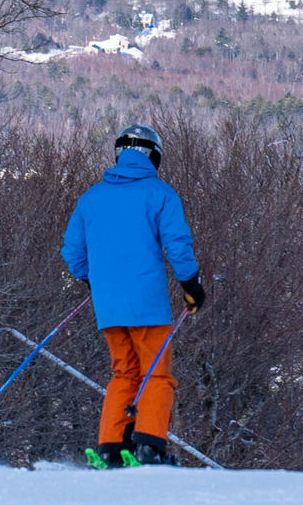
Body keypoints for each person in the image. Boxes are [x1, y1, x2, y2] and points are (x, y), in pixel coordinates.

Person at [61, 125, 207, 469]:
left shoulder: (91, 197)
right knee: (156, 374)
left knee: (124, 373)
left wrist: (93, 280)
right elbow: (177, 245)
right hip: (148, 304)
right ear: (154, 155)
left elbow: (72, 252)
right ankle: (149, 447)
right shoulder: (160, 193)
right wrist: (191, 285)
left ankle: (111, 447)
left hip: (109, 306)